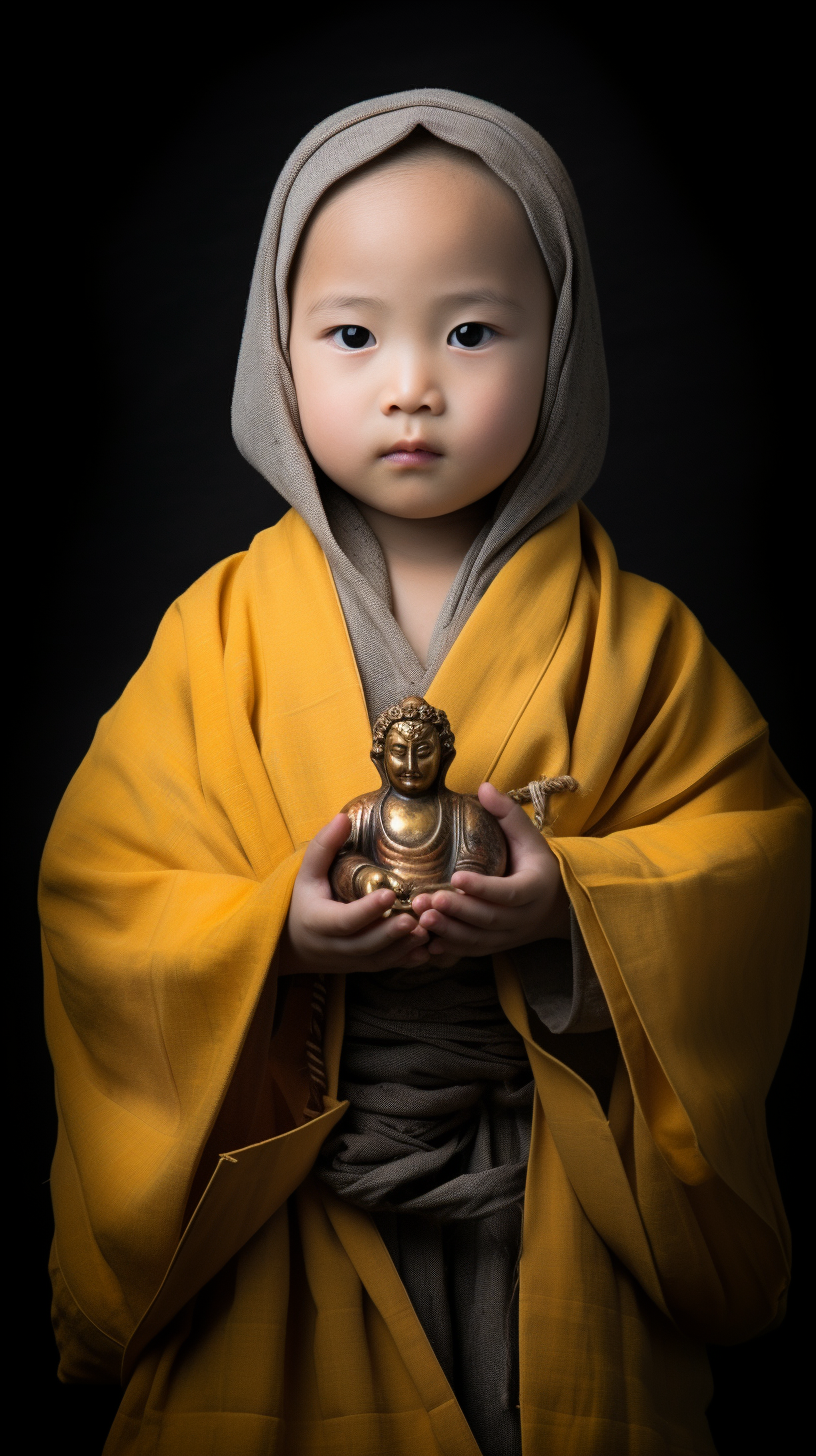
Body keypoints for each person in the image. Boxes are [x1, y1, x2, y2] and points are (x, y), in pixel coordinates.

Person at [40, 90, 810, 1456]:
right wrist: (266, 928)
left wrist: (572, 909)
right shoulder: (215, 637)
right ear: (278, 354)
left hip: (555, 1204)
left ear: (560, 344)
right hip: (296, 1196)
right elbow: (103, 894)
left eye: (471, 330)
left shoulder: (642, 639)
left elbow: (746, 868)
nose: (412, 384)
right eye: (353, 333)